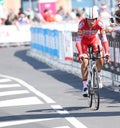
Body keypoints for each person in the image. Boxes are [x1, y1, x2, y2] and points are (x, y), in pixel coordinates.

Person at [75, 6, 110, 97]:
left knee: (100, 56)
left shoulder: (100, 24)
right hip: (84, 42)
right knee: (85, 62)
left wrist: (107, 52)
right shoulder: (82, 24)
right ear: (86, 19)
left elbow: (104, 38)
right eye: (90, 20)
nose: (92, 22)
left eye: (94, 19)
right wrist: (80, 53)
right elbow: (78, 40)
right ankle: (85, 86)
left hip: (95, 41)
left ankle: (99, 75)